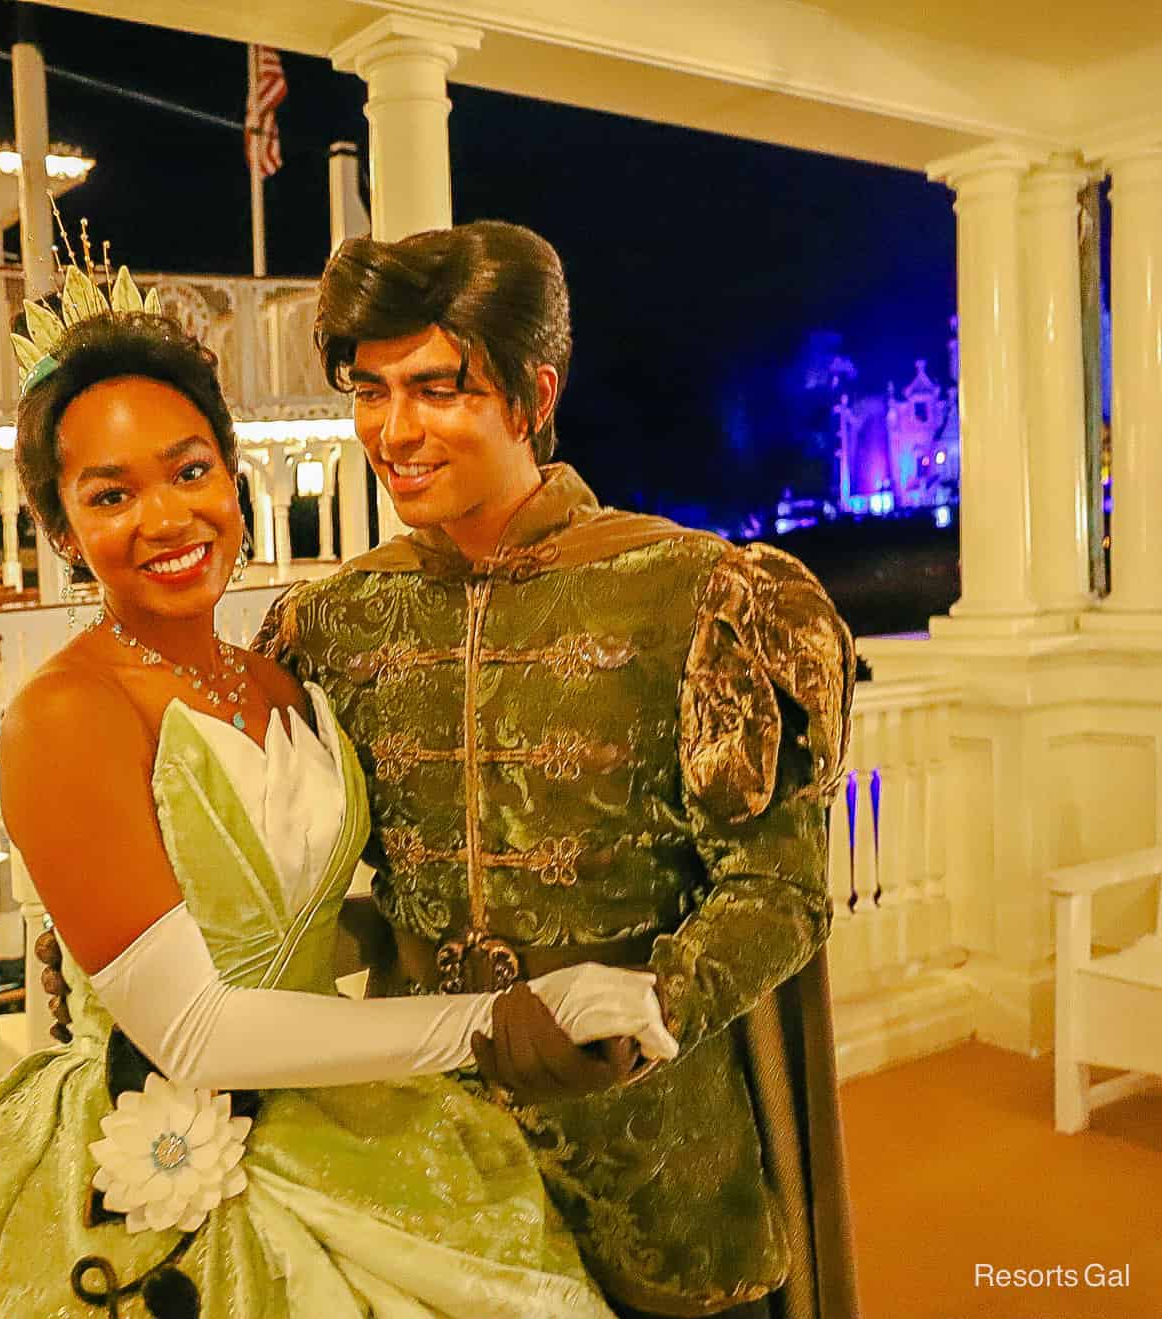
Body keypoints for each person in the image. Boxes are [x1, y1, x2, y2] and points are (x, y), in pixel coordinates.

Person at [0, 270, 636, 1318]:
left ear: (234, 476)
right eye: (110, 493)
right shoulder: (66, 713)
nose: (165, 517)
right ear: (61, 527)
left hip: (345, 1118)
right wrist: (491, 1020)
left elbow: (289, 915)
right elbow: (192, 1029)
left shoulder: (278, 677)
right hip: (163, 1145)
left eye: (189, 470)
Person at [254, 221, 861, 1319]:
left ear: (533, 395)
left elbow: (781, 890)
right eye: (371, 390)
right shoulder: (330, 624)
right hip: (426, 1143)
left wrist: (657, 1000)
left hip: (658, 1151)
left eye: (440, 390)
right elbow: (317, 875)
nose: (394, 431)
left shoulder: (692, 593)